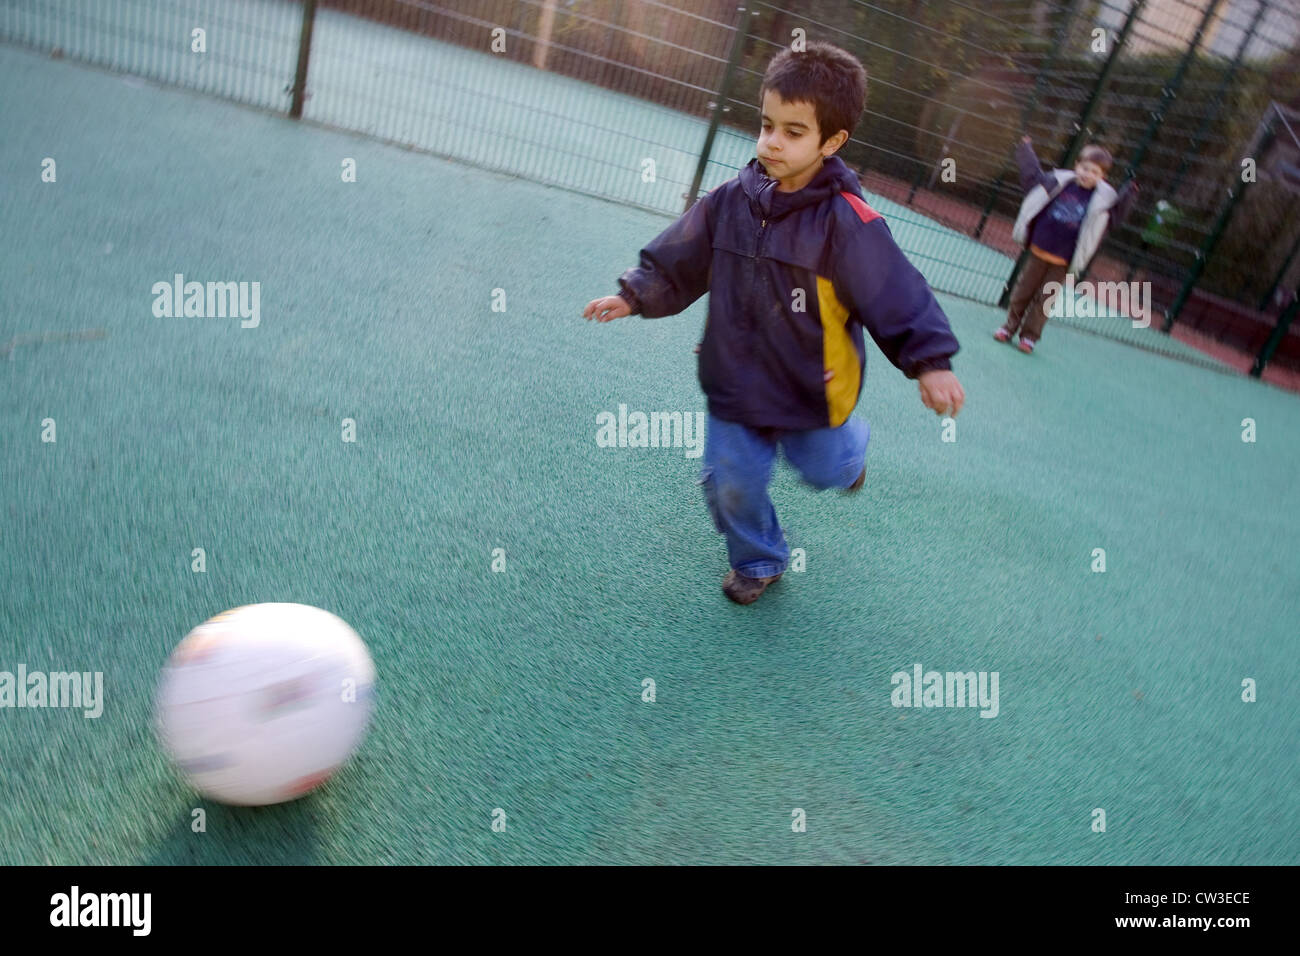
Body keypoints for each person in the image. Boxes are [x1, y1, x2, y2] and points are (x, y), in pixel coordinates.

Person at [582, 42, 964, 605]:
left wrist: (929, 362)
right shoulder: (730, 201)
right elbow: (682, 255)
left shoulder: (847, 224)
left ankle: (850, 455)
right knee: (731, 482)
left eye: (792, 131)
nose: (771, 142)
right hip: (735, 377)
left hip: (813, 389)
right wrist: (637, 293)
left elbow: (896, 293)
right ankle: (759, 558)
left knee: (825, 468)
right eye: (766, 125)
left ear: (831, 142)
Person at [998, 135, 1139, 353]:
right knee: (1022, 292)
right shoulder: (1058, 182)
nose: (1087, 174)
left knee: (1045, 300)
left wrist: (1129, 193)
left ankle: (1030, 337)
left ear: (1102, 177)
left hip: (1063, 260)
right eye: (1085, 168)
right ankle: (1009, 327)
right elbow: (1032, 177)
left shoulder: (1102, 201)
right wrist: (1026, 150)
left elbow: (1117, 216)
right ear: (1077, 166)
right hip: (1039, 250)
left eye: (1094, 172)